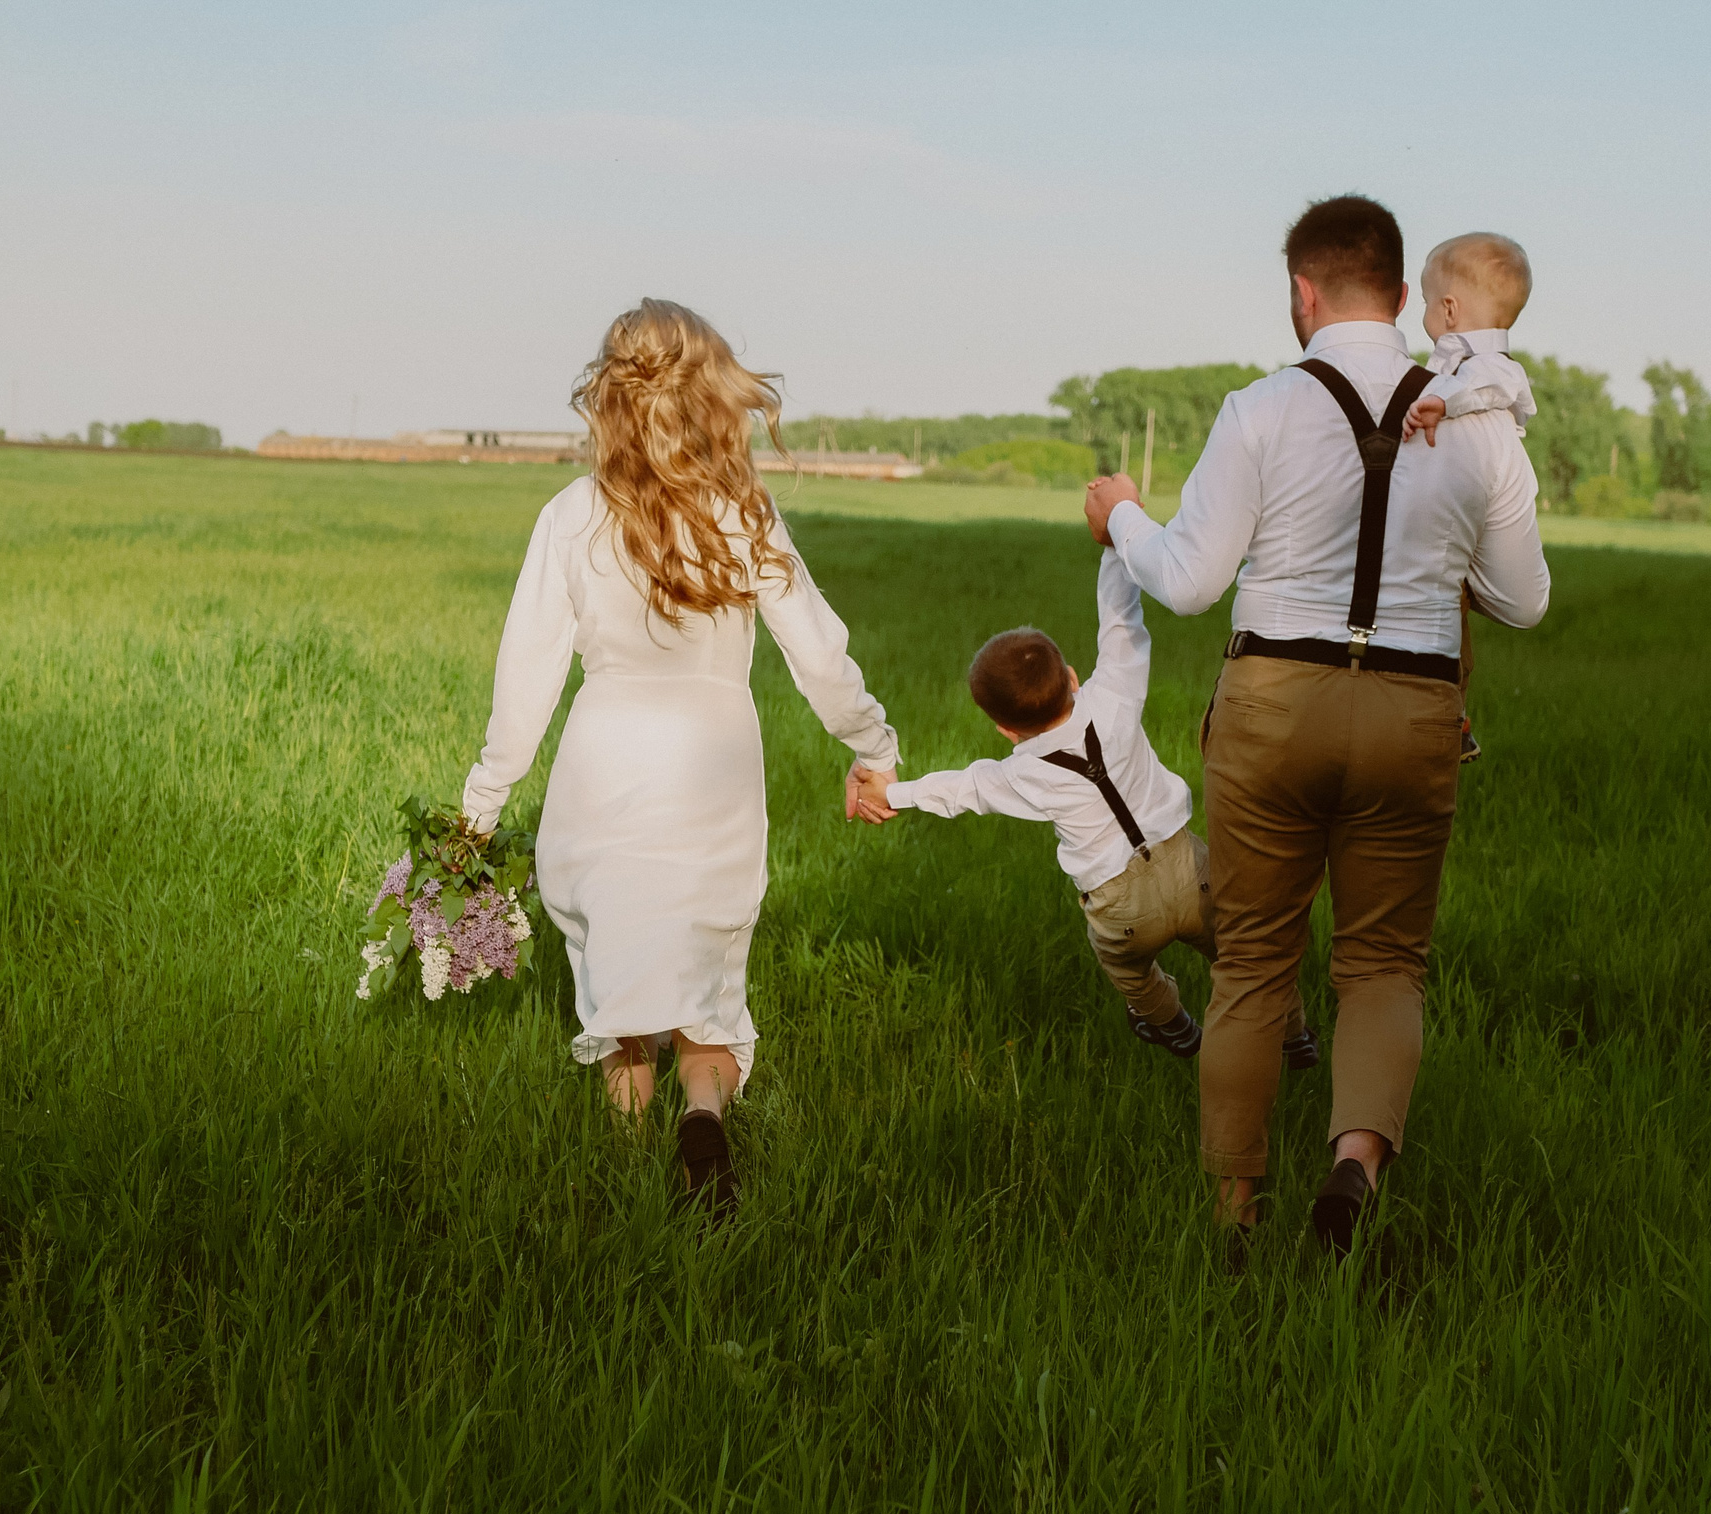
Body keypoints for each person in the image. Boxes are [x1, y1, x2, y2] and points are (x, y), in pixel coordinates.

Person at [1084, 195, 1551, 1258]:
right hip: (1413, 709)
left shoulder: (1259, 409)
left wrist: (1120, 515)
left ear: (1302, 293)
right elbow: (1524, 601)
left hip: (1274, 707)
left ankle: (1233, 1213)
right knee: (1384, 962)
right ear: (1400, 298)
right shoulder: (1478, 422)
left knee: (1251, 962)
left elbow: (1192, 582)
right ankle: (1351, 1167)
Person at [460, 299, 900, 1218]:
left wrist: (483, 804)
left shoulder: (571, 514)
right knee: (705, 977)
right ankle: (704, 1115)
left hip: (604, 761)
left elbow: (525, 678)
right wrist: (873, 745)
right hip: (714, 765)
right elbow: (816, 650)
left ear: (608, 397)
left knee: (623, 982)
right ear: (713, 390)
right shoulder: (741, 510)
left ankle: (624, 1177)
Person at [878, 549, 1319, 1066]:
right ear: (1070, 676)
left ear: (1003, 729)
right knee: (1249, 960)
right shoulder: (1113, 694)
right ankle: (1292, 1035)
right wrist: (1114, 543)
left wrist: (889, 793)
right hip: (1188, 867)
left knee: (1130, 972)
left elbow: (961, 790)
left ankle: (1170, 1024)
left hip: (1119, 907)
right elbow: (1119, 620)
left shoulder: (1022, 774)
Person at [1400, 231, 1539, 765]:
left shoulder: (1487, 365)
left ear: (1450, 309)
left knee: (1515, 604)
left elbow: (1485, 384)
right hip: (1467, 509)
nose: (1425, 317)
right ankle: (1453, 719)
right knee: (1446, 605)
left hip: (1492, 502)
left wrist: (1440, 401)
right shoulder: (1454, 361)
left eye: (1430, 305)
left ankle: (1453, 713)